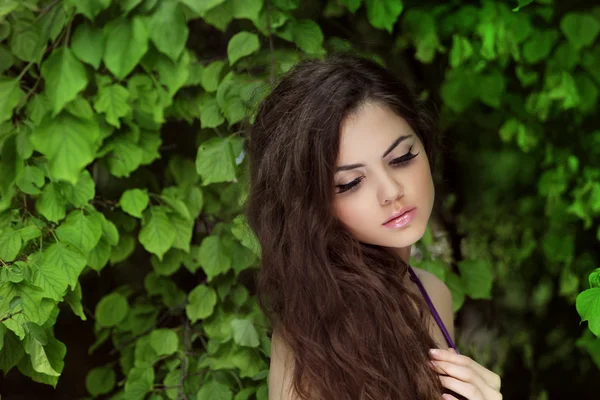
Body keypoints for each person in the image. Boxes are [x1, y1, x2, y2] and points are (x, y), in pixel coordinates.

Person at [245, 54, 502, 400]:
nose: (391, 192)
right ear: (311, 204)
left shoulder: (433, 294)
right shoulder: (313, 335)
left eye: (402, 158)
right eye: (350, 183)